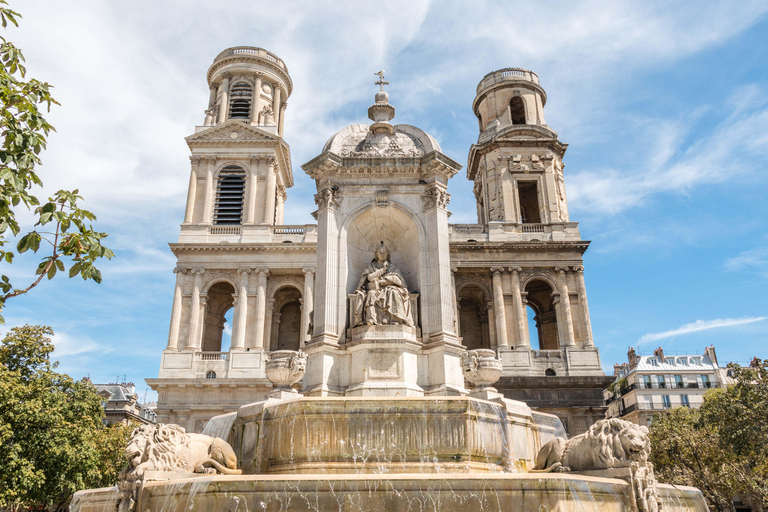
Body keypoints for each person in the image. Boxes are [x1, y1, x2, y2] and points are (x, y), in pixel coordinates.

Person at [352, 242, 413, 327]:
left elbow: (400, 281)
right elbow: (369, 277)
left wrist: (384, 281)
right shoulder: (371, 266)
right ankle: (371, 319)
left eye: (384, 252)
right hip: (375, 289)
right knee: (371, 294)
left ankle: (395, 319)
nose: (382, 254)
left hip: (389, 288)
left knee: (393, 292)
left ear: (388, 254)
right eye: (380, 252)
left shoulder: (393, 267)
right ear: (376, 254)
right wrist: (383, 270)